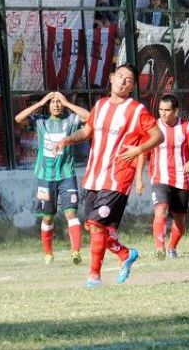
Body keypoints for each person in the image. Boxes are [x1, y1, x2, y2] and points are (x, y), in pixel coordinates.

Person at [55, 64, 162, 288]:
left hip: (118, 177)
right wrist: (67, 140)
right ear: (112, 78)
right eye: (120, 76)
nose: (123, 82)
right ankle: (125, 254)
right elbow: (87, 132)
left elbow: (158, 135)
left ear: (132, 87)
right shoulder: (100, 105)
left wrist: (139, 149)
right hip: (94, 176)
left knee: (96, 224)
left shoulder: (136, 110)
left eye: (128, 80)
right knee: (95, 228)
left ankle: (94, 276)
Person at [15, 91, 90, 265]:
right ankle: (48, 253)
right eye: (53, 102)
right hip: (45, 177)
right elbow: (19, 118)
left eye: (59, 102)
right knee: (47, 216)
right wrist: (40, 102)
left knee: (71, 213)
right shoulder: (40, 121)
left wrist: (68, 103)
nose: (56, 105)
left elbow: (89, 117)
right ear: (48, 106)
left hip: (66, 175)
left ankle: (76, 252)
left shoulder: (71, 120)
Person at [134, 94, 189, 259]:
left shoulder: (186, 127)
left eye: (167, 110)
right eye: (160, 110)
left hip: (181, 179)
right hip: (159, 178)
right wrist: (139, 179)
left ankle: (172, 247)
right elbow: (143, 153)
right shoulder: (154, 128)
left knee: (179, 219)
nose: (163, 114)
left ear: (176, 110)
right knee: (161, 211)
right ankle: (160, 248)